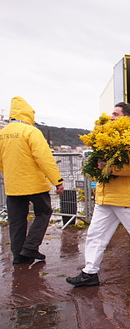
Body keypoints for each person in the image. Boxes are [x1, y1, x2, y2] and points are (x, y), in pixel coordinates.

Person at [66, 102, 130, 287]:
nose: (111, 117)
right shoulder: (107, 137)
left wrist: (108, 168)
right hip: (106, 197)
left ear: (128, 118)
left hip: (125, 198)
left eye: (115, 114)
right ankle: (90, 272)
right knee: (95, 235)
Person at [0, 96, 64, 264]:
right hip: (34, 184)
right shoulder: (31, 131)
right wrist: (57, 180)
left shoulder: (2, 133)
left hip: (13, 187)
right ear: (28, 113)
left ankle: (18, 255)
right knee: (44, 212)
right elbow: (44, 158)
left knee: (16, 221)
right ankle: (30, 247)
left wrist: (10, 174)